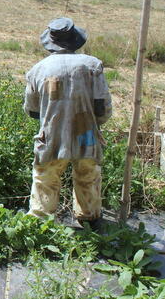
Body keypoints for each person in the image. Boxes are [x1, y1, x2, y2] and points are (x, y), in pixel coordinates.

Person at [23, 17, 112, 225]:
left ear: (50, 42)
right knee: (88, 176)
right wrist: (95, 123)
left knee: (45, 179)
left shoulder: (37, 70)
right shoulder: (92, 65)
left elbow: (32, 109)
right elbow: (103, 106)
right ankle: (88, 220)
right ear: (75, 40)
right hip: (86, 134)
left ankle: (41, 225)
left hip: (51, 136)